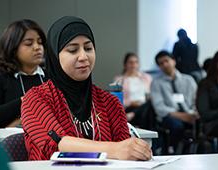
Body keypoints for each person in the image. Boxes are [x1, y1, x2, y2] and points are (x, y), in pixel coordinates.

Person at [21, 16, 152, 161]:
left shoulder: (110, 103)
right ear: (55, 56)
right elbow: (57, 143)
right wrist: (115, 149)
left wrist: (135, 151)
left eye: (88, 48)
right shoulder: (35, 98)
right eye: (72, 50)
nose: (83, 56)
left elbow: (125, 150)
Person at [0, 19, 48, 128]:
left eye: (40, 42)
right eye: (29, 43)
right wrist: (24, 101)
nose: (37, 47)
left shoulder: (51, 76)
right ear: (13, 47)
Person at [150, 50, 198, 152]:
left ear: (174, 61)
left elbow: (196, 101)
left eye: (166, 61)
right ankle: (175, 151)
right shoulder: (156, 83)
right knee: (177, 125)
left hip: (190, 113)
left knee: (202, 123)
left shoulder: (188, 80)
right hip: (169, 116)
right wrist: (183, 116)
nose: (165, 65)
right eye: (161, 63)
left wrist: (193, 113)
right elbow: (160, 108)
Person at [114, 52, 152, 125]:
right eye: (131, 62)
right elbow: (116, 100)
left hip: (145, 107)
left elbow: (151, 96)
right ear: (125, 65)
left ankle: (133, 114)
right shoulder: (119, 80)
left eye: (136, 62)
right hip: (129, 107)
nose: (133, 65)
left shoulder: (147, 78)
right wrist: (130, 102)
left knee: (149, 104)